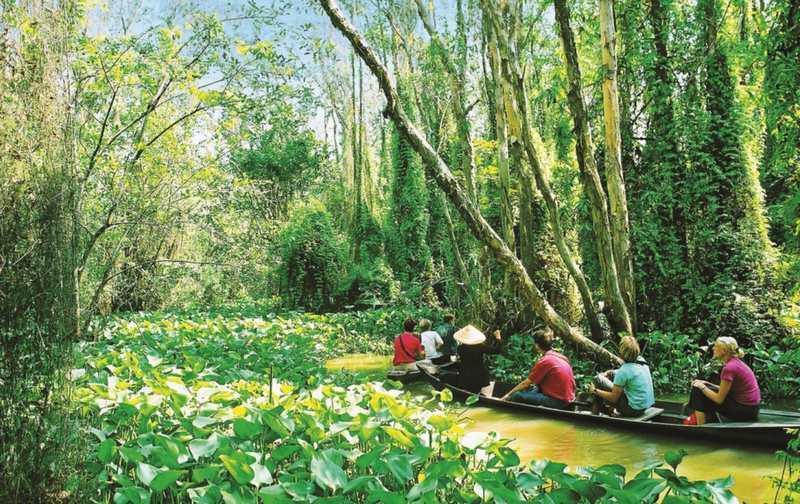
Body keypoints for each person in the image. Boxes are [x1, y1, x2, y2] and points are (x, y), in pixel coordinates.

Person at [685, 336, 760, 425]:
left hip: (744, 411)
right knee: (700, 386)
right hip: (752, 409)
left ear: (724, 351)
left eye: (716, 346)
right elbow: (725, 390)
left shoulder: (729, 368)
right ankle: (707, 419)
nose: (713, 348)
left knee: (697, 390)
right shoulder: (735, 362)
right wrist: (707, 384)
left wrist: (702, 387)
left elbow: (719, 399)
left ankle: (701, 427)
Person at [500, 328, 575, 409]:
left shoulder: (545, 360)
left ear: (537, 345)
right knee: (533, 389)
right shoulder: (562, 357)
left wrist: (508, 395)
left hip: (558, 401)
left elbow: (526, 383)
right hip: (569, 398)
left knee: (517, 396)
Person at [588, 336, 655, 417]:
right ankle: (606, 409)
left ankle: (594, 413)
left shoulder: (624, 370)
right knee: (612, 374)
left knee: (598, 379)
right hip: (645, 407)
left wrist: (595, 391)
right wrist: (610, 372)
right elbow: (629, 372)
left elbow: (613, 398)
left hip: (632, 410)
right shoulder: (642, 360)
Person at [447, 325, 502, 395]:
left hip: (465, 376)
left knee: (467, 393)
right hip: (478, 376)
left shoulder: (460, 348)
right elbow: (497, 350)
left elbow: (460, 360)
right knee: (475, 393)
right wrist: (498, 337)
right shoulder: (480, 347)